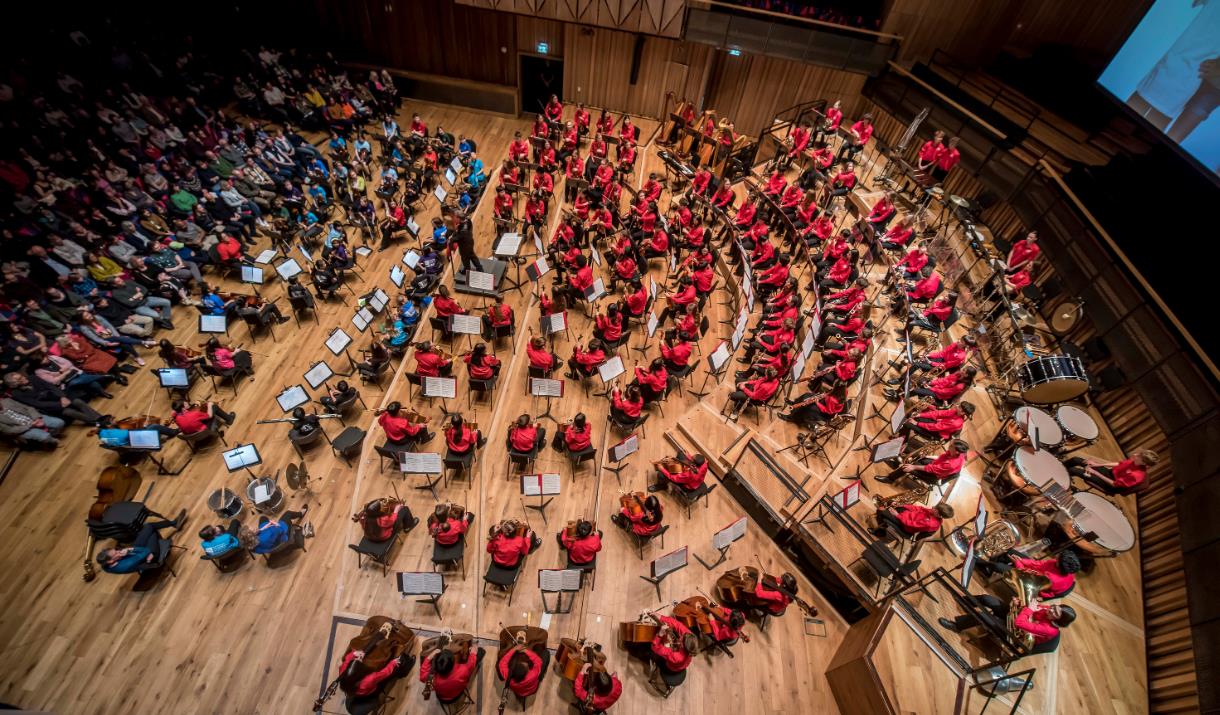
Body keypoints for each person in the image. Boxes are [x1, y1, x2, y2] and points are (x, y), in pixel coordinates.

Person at [938, 596, 1075, 655]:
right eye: (1054, 607)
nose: (1050, 609)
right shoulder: (1048, 611)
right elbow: (1030, 609)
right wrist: (1019, 603)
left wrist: (1029, 609)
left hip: (1014, 635)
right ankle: (965, 601)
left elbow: (1019, 623)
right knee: (988, 599)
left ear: (1059, 620)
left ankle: (956, 625)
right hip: (1019, 621)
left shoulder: (1050, 630)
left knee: (985, 616)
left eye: (1055, 612)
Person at [96, 508, 188, 573]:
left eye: (115, 550)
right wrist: (130, 550)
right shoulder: (127, 564)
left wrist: (124, 553)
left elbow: (109, 563)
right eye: (115, 553)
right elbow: (146, 551)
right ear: (110, 561)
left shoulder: (106, 565)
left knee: (148, 526)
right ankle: (173, 526)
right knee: (152, 533)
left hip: (136, 554)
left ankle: (174, 523)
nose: (118, 551)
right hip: (149, 556)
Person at [975, 550, 1081, 600]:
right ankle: (988, 569)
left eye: (1059, 556)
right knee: (1009, 551)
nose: (1057, 554)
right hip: (1033, 575)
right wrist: (1021, 560)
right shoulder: (1058, 564)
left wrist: (1018, 563)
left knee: (999, 566)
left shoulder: (1051, 579)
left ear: (1060, 564)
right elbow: (1040, 564)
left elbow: (1026, 578)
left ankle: (978, 561)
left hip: (1031, 586)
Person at [1064, 449, 1157, 494]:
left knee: (1074, 470)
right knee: (1076, 459)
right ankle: (1059, 468)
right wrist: (1097, 464)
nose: (1135, 454)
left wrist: (1095, 472)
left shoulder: (1137, 476)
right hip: (1109, 473)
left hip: (1109, 484)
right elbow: (1119, 464)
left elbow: (1115, 484)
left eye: (1139, 455)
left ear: (1143, 463)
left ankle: (1062, 480)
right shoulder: (1135, 461)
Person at [878, 439, 969, 485]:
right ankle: (896, 462)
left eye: (951, 446)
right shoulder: (958, 453)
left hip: (932, 476)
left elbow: (931, 469)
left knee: (908, 466)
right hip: (935, 465)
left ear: (957, 451)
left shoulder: (951, 464)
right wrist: (927, 456)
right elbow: (941, 458)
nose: (949, 446)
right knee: (917, 454)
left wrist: (913, 467)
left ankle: (890, 479)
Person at [419, 645, 485, 703]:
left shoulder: (431, 678)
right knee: (481, 651)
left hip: (441, 698)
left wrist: (430, 657)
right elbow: (471, 664)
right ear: (453, 663)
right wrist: (473, 653)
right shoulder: (463, 670)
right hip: (456, 695)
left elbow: (422, 676)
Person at [0, 397, 66, 448]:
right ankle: (54, 441)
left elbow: (28, 408)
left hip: (33, 417)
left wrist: (36, 418)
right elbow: (9, 430)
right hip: (24, 429)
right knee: (45, 437)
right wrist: (30, 425)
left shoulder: (7, 401)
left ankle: (53, 434)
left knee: (60, 423)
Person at [870, 503, 954, 539]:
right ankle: (884, 523)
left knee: (880, 509)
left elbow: (911, 524)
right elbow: (920, 508)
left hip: (905, 526)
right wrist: (904, 505)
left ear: (939, 515)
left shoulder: (930, 524)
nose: (933, 508)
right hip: (906, 516)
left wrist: (897, 515)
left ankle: (880, 531)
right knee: (891, 503)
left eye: (935, 509)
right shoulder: (934, 512)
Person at [354, 498, 419, 543]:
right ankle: (408, 526)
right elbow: (393, 520)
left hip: (369, 537)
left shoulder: (363, 516)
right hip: (383, 537)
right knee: (405, 509)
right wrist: (397, 509)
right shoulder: (382, 520)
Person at [171, 400, 235, 435]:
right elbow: (209, 415)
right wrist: (210, 404)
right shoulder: (194, 414)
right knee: (213, 407)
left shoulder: (176, 418)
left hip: (192, 435)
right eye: (185, 403)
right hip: (205, 431)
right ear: (183, 408)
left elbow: (174, 414)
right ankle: (229, 419)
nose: (187, 403)